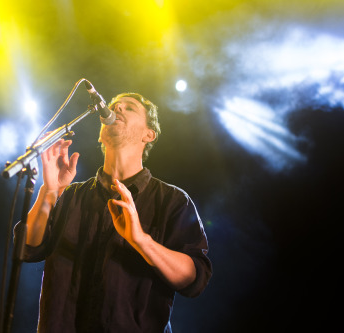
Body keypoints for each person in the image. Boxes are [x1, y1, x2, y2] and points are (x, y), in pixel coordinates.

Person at [17, 92, 212, 332]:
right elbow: (27, 248)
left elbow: (194, 278)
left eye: (129, 107)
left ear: (149, 134)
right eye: (113, 106)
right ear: (101, 133)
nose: (117, 108)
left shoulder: (173, 201)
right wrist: (49, 190)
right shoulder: (71, 195)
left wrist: (140, 240)